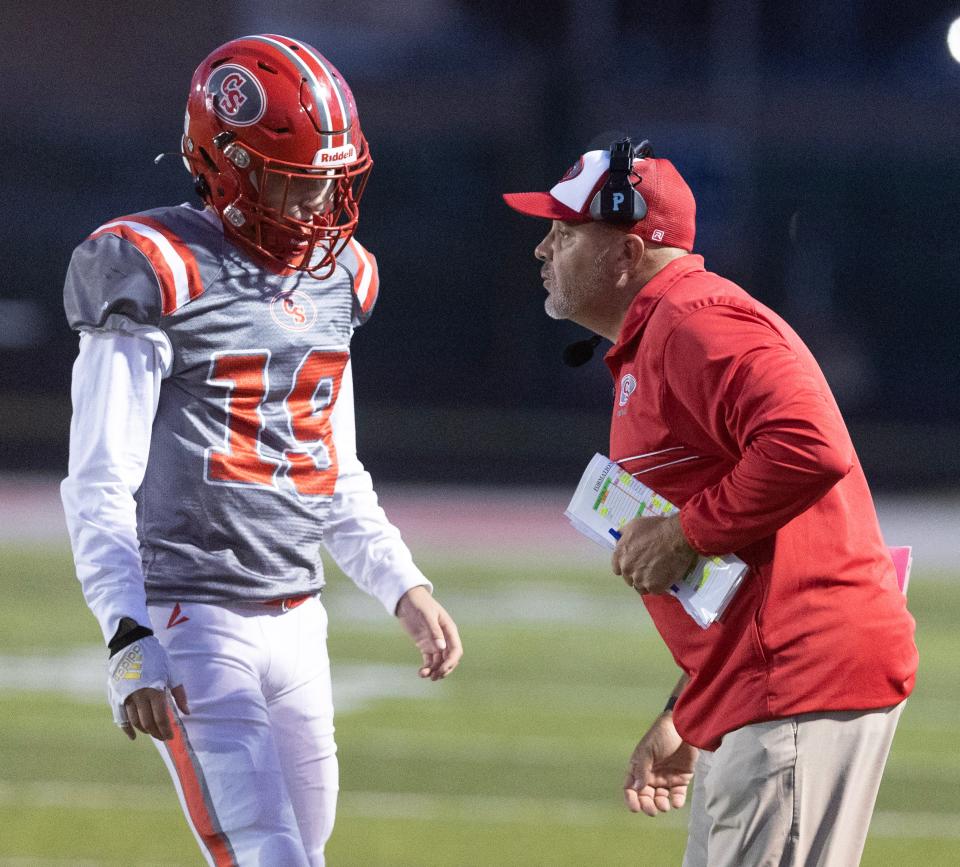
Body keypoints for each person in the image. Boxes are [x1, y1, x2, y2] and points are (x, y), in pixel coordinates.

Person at [60, 34, 462, 866]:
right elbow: (99, 479)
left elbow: (331, 468)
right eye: (299, 177)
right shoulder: (157, 265)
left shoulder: (338, 275)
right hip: (192, 617)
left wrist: (401, 582)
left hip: (298, 614)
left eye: (331, 180)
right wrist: (128, 632)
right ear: (228, 163)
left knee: (303, 851)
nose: (319, 203)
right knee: (269, 855)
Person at [503, 138, 917, 866]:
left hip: (795, 684)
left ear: (627, 254)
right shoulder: (665, 329)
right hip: (761, 688)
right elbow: (748, 566)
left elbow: (810, 445)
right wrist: (685, 712)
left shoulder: (695, 322)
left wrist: (685, 531)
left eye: (565, 234)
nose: (542, 249)